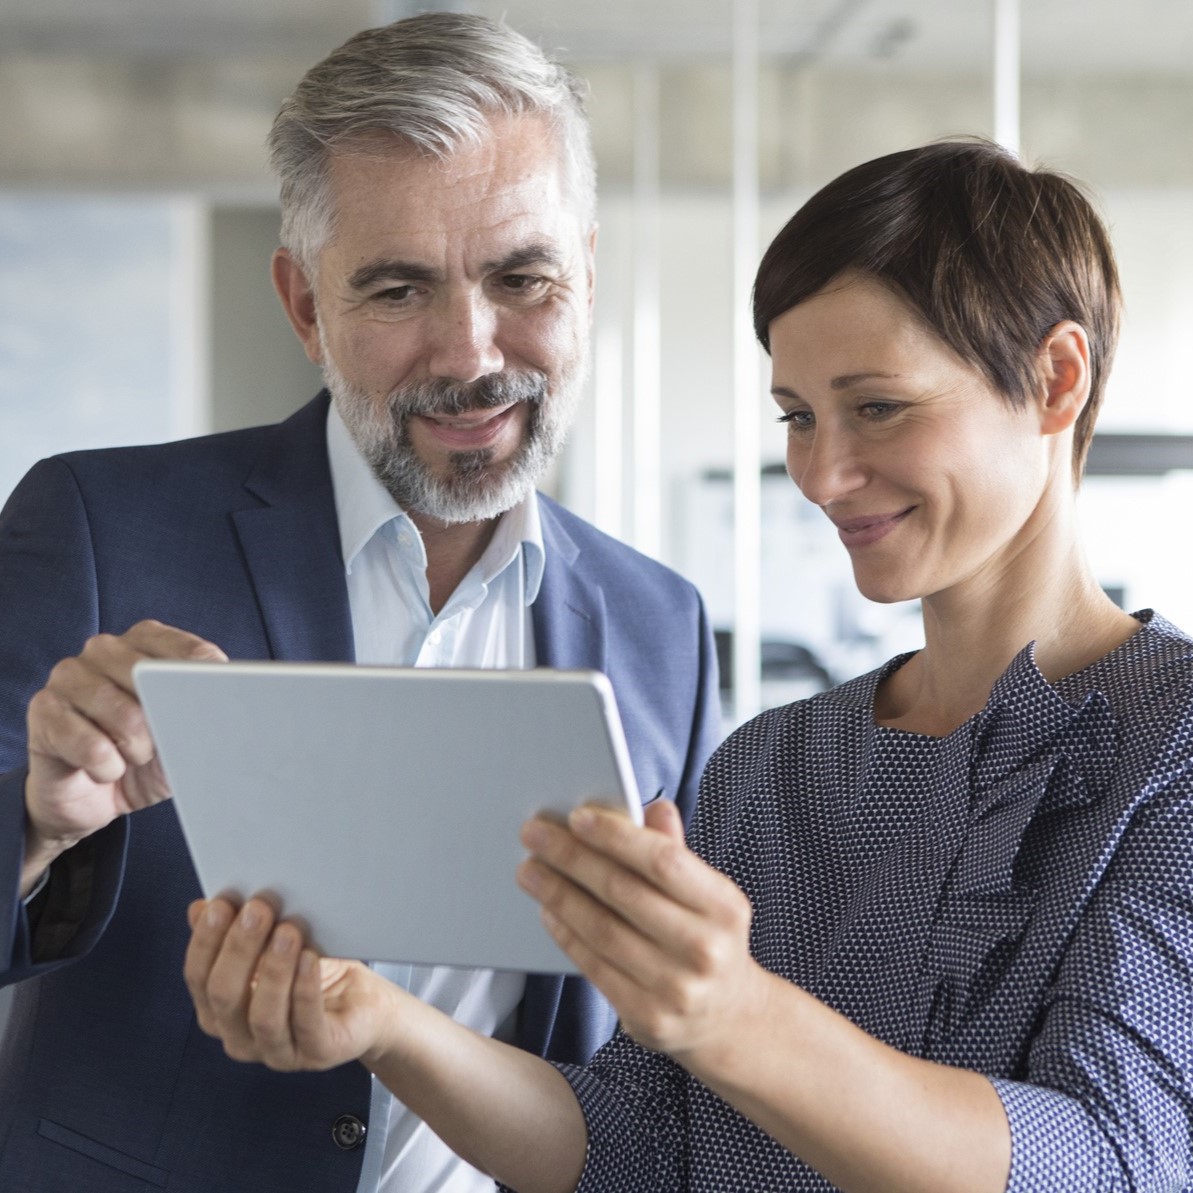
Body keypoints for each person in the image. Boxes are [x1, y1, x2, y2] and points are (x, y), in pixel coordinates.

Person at [185, 138, 1193, 1193]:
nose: (821, 471)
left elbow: (1112, 1157)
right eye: (797, 417)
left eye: (877, 406)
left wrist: (735, 1014)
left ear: (1053, 377)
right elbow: (629, 1143)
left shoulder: (1167, 737)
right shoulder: (772, 762)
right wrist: (382, 1020)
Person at [0, 14, 721, 1193]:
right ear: (303, 304)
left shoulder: (660, 625)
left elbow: (644, 1063)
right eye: (397, 288)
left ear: (584, 276)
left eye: (521, 276)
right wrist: (36, 828)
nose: (469, 350)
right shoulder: (97, 525)